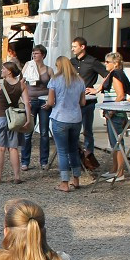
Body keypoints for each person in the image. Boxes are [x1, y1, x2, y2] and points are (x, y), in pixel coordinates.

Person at [88, 52, 130, 183]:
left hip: (116, 113)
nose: (105, 64)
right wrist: (96, 90)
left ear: (115, 63)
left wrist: (112, 111)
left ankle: (120, 172)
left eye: (107, 62)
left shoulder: (116, 75)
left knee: (118, 142)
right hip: (112, 112)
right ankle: (115, 170)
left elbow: (120, 95)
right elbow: (106, 84)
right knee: (114, 143)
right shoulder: (115, 73)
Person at [46, 56, 86, 193]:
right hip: (75, 118)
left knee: (62, 151)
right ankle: (76, 179)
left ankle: (64, 183)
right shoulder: (80, 81)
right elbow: (83, 103)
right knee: (73, 149)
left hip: (60, 117)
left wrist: (49, 104)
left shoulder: (55, 80)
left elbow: (51, 102)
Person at [0, 61, 31, 184]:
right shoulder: (21, 85)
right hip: (14, 119)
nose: (1, 71)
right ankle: (17, 176)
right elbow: (27, 103)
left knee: (0, 148)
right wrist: (28, 119)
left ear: (9, 71)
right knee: (13, 148)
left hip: (0, 117)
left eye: (3, 69)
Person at [70, 37, 107, 157]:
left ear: (82, 47)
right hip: (73, 101)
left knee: (87, 130)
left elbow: (108, 75)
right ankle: (76, 154)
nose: (72, 49)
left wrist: (97, 89)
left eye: (75, 46)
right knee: (73, 129)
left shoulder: (92, 61)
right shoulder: (72, 62)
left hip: (87, 101)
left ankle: (88, 154)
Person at [20, 45, 52, 171]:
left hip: (44, 102)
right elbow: (21, 82)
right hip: (31, 100)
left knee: (44, 133)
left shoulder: (48, 70)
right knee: (28, 132)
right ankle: (25, 161)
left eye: (37, 53)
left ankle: (44, 161)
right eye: (33, 53)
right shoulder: (28, 66)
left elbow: (53, 85)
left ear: (43, 55)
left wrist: (50, 100)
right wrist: (23, 98)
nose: (34, 56)